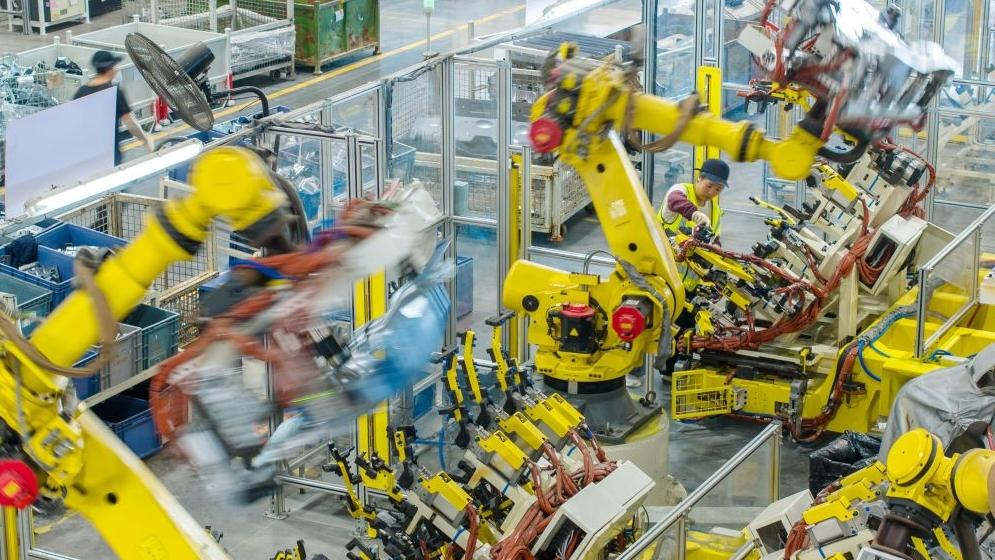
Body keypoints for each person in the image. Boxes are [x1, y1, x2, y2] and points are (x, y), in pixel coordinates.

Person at [73, 50, 154, 166]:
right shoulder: (114, 93)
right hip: (110, 156)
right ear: (109, 68)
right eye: (115, 66)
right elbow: (130, 122)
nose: (117, 70)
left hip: (86, 156)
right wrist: (145, 139)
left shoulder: (81, 92)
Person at [658, 158, 728, 242]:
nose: (711, 192)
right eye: (709, 186)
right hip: (662, 247)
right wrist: (695, 214)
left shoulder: (715, 210)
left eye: (718, 189)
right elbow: (674, 199)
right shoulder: (681, 190)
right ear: (700, 178)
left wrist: (716, 244)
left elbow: (715, 238)